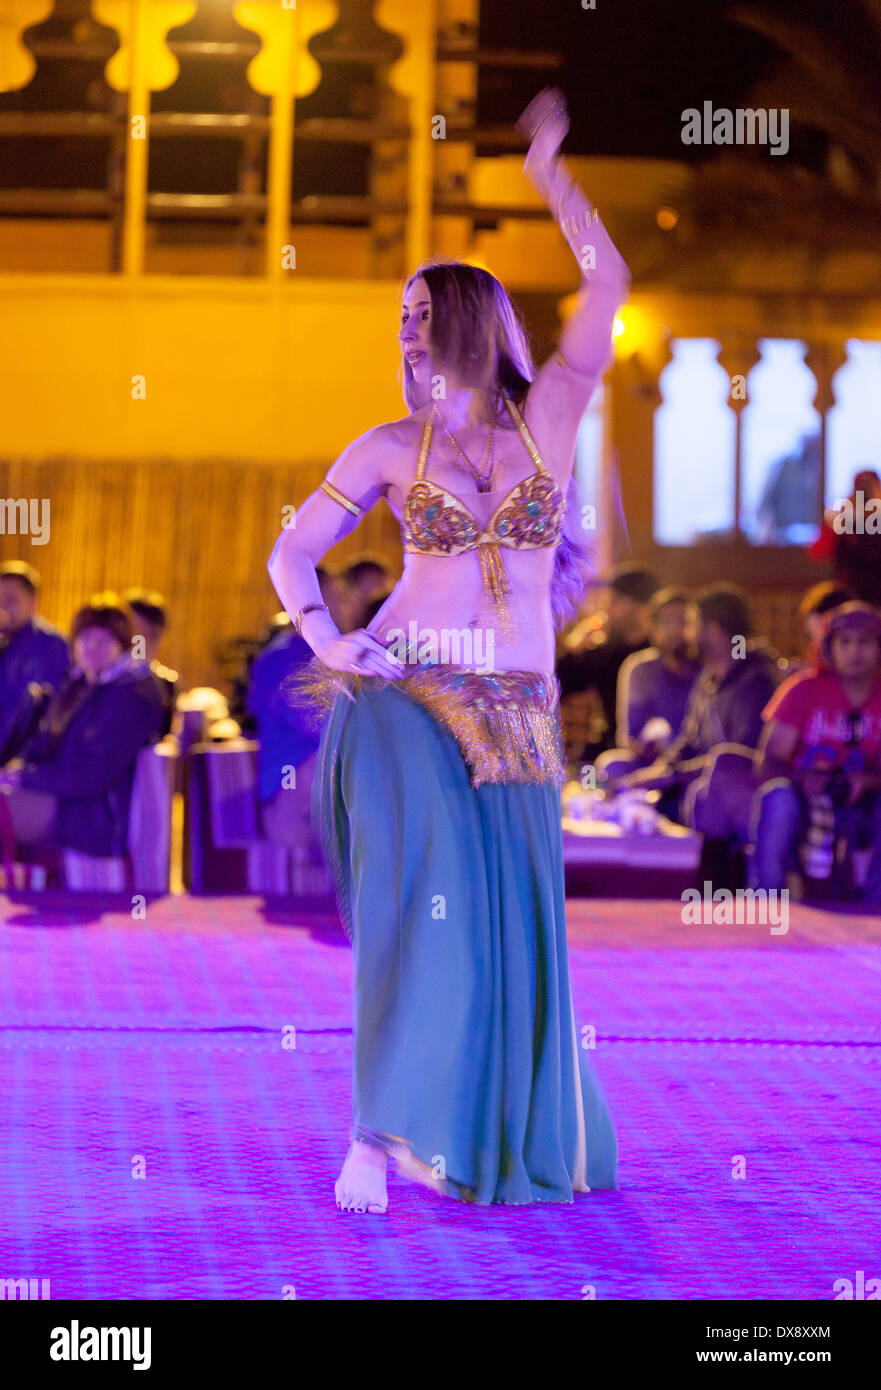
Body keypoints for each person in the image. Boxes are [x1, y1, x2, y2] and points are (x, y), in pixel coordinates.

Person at [267, 86, 628, 1213]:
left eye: (420, 308)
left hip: (517, 703)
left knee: (503, 927)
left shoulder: (553, 411)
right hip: (405, 698)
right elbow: (291, 554)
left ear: (470, 314)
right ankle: (374, 1131)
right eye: (398, 314)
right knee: (413, 909)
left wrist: (548, 176)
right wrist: (333, 643)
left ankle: (487, 1123)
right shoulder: (387, 447)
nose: (405, 327)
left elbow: (607, 283)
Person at [0, 594, 166, 859]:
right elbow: (43, 752)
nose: (93, 646)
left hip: (93, 818)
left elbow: (92, 778)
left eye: (105, 640)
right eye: (86, 637)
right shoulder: (78, 685)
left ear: (122, 646)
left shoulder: (130, 695)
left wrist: (24, 778)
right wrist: (15, 773)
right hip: (63, 801)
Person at [751, 602, 881, 898]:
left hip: (864, 803)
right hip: (804, 799)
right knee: (777, 797)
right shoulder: (802, 690)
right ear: (828, 647)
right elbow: (767, 765)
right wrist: (803, 778)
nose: (854, 651)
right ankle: (766, 900)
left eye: (865, 641)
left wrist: (866, 783)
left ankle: (876, 911)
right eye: (844, 642)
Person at [246, 568, 344, 851]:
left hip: (317, 788)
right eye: (332, 598)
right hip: (290, 794)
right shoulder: (283, 659)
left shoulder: (321, 653)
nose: (342, 606)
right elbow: (317, 724)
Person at [556, 565, 659, 762]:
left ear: (641, 607)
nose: (607, 609)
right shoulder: (605, 653)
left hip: (656, 753)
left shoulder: (659, 654)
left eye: (615, 601)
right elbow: (560, 686)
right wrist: (574, 649)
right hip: (611, 753)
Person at [596, 587, 699, 782]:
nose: (675, 629)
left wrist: (676, 758)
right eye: (666, 621)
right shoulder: (640, 669)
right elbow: (629, 736)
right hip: (649, 764)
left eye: (683, 622)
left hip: (689, 765)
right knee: (610, 765)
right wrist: (649, 746)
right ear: (654, 628)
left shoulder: (707, 671)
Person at [0, 561, 70, 755]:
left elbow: (51, 712)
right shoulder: (4, 641)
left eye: (10, 601)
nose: (2, 609)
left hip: (21, 760)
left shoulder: (53, 646)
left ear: (33, 603)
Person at [122, 588, 179, 738]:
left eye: (147, 634)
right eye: (133, 632)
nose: (137, 641)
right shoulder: (98, 680)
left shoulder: (165, 683)